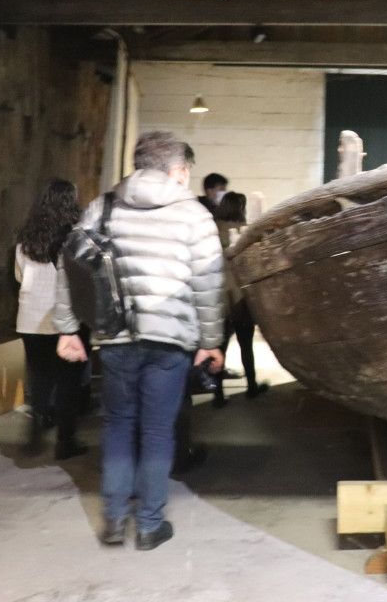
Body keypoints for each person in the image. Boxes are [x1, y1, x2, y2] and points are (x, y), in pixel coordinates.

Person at [55, 131, 225, 551]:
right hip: (170, 339)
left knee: (117, 426)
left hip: (115, 337)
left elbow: (70, 263)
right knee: (156, 431)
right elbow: (208, 283)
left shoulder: (104, 206)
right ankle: (149, 525)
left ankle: (113, 520)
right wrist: (211, 340)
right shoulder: (194, 215)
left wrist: (66, 328)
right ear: (179, 170)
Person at [14, 179, 87, 460]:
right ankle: (65, 442)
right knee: (69, 382)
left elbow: (19, 276)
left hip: (30, 317)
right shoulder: (75, 236)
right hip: (65, 318)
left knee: (39, 378)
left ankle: (35, 434)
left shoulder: (26, 238)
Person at [211, 191, 266, 406]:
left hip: (219, 298)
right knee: (246, 346)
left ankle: (217, 394)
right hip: (242, 299)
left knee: (219, 348)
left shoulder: (211, 231)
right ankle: (251, 386)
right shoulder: (245, 232)